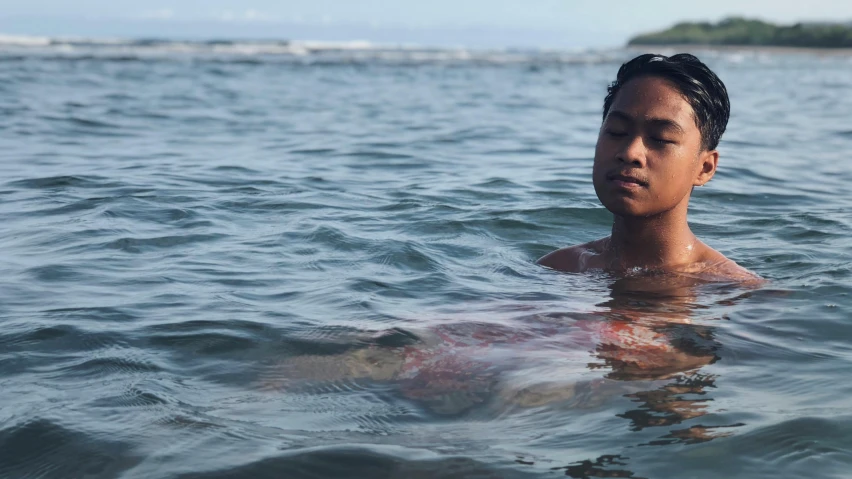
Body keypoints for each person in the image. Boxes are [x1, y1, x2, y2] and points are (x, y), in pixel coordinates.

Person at [538, 53, 760, 282]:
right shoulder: (558, 270)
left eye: (661, 138)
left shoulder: (733, 291)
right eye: (617, 132)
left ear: (704, 168)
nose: (630, 153)